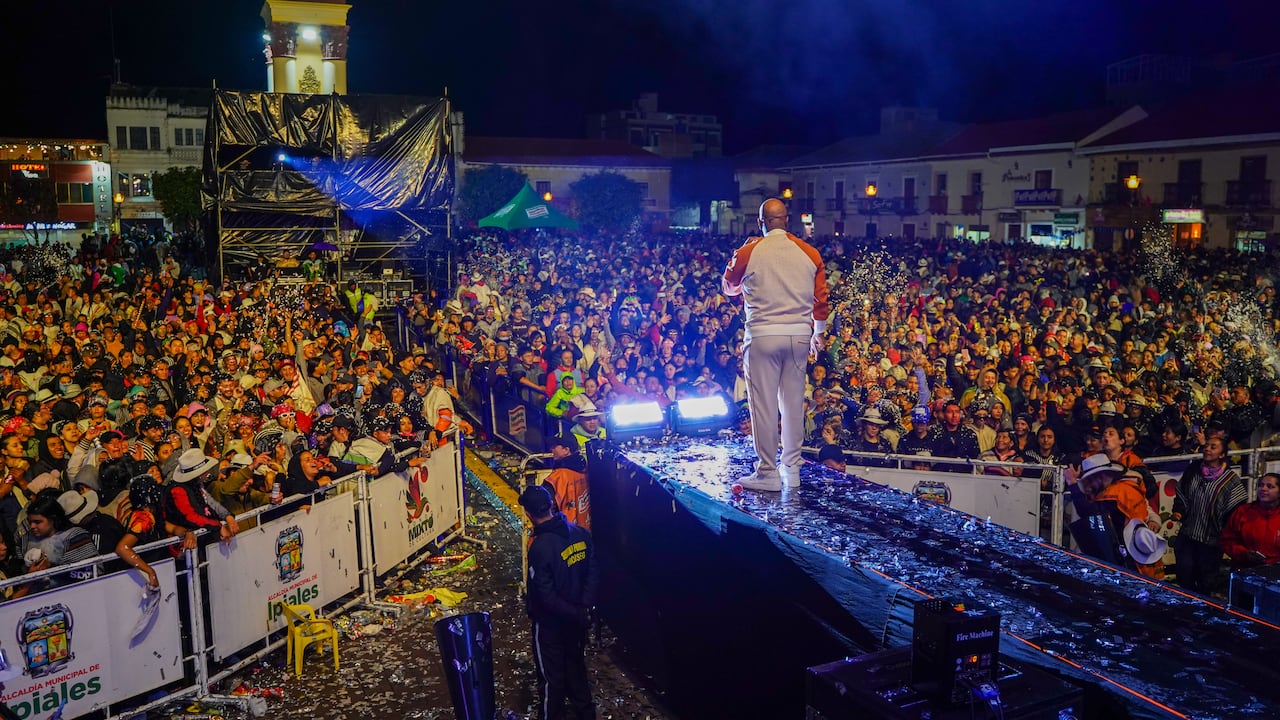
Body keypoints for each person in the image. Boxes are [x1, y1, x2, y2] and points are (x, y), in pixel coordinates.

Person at [722, 198, 829, 491]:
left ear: (761, 222)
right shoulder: (809, 252)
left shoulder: (750, 250)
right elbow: (821, 298)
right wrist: (818, 332)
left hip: (763, 335)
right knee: (793, 403)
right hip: (798, 336)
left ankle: (768, 472)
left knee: (764, 406)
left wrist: (743, 252)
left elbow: (728, 287)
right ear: (787, 220)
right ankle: (791, 469)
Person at [519, 484, 597, 720]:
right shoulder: (581, 534)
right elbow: (593, 574)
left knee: (551, 680)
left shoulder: (540, 548)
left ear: (529, 514)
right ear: (552, 505)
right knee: (576, 670)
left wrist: (574, 612)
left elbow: (545, 596)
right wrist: (583, 609)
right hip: (577, 621)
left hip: (551, 626)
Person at [1171, 436, 1249, 593]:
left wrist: (1225, 533)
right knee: (1184, 576)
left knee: (1205, 582)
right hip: (1188, 534)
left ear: (1222, 454)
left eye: (1213, 447)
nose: (1207, 449)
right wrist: (1179, 510)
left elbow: (1236, 508)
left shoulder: (1230, 480)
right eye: (1206, 445)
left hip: (1212, 541)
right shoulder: (1193, 470)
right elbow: (1181, 492)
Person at [1220, 472, 1280, 568]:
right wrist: (1244, 554)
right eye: (1261, 485)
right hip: (1246, 570)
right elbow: (1227, 541)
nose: (1263, 489)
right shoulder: (1243, 512)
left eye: (1270, 486)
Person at [540, 435, 590, 531]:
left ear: (566, 450)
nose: (552, 449)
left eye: (555, 446)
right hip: (586, 531)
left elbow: (545, 509)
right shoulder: (588, 468)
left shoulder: (558, 477)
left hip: (566, 532)